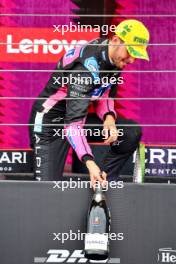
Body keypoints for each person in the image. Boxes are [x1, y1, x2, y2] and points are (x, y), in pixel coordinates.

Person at [29, 19, 150, 186]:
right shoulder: (85, 69)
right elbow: (72, 125)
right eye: (130, 52)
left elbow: (104, 93)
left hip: (78, 119)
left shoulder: (112, 57)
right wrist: (90, 162)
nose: (131, 60)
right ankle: (94, 172)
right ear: (115, 40)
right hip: (51, 125)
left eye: (136, 56)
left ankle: (104, 179)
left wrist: (108, 118)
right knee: (47, 192)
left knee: (130, 133)